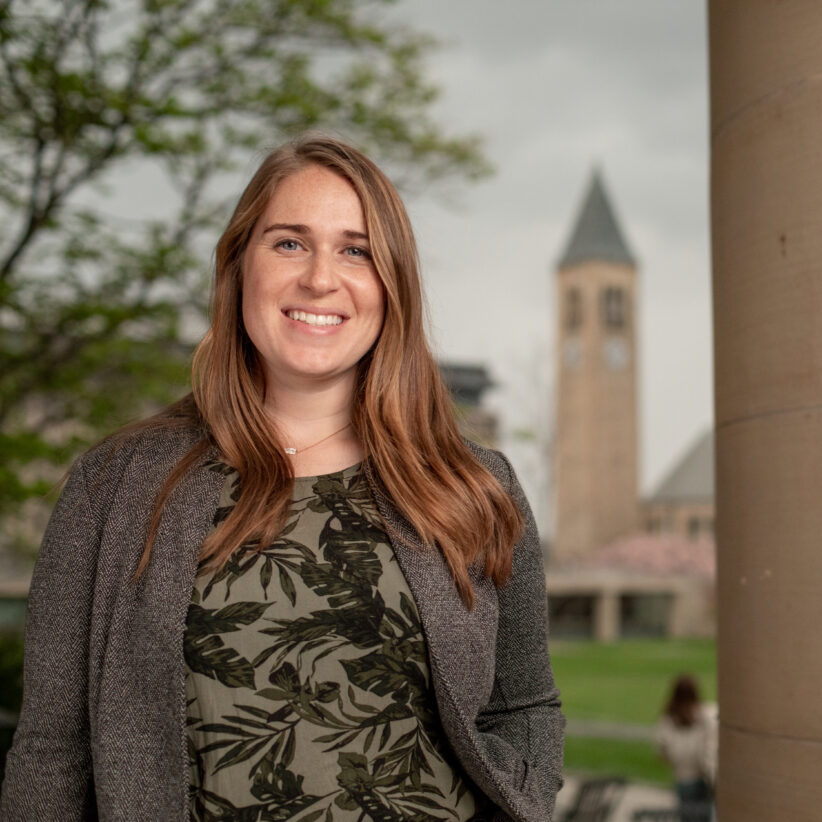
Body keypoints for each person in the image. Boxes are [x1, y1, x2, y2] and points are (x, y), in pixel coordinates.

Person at [0, 135, 564, 821]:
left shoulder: (473, 484)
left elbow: (525, 706)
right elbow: (51, 752)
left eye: (355, 250)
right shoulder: (112, 487)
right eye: (289, 243)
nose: (321, 278)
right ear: (239, 266)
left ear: (392, 285)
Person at [655, 674, 717, 822]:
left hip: (683, 779)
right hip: (702, 777)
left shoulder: (668, 720)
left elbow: (662, 752)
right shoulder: (703, 716)